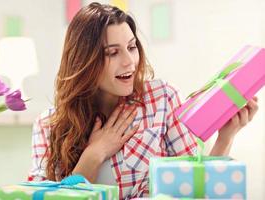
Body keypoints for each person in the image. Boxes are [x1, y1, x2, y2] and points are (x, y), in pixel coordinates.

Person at [28, 2, 259, 199]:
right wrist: (94, 154)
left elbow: (196, 189)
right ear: (83, 61)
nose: (130, 61)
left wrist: (225, 139)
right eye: (113, 53)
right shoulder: (49, 125)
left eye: (131, 47)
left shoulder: (162, 99)